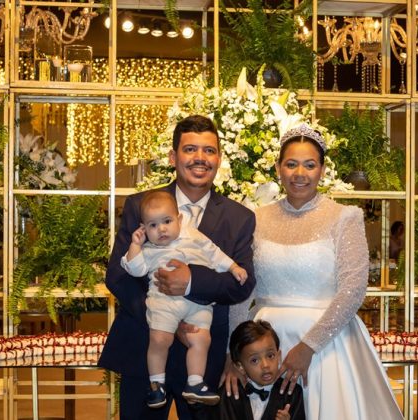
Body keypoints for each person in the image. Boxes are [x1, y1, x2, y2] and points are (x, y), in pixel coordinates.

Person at [226, 124, 403, 419]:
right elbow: (243, 291)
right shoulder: (256, 219)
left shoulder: (345, 217)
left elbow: (353, 289)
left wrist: (308, 347)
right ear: (278, 168)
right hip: (265, 344)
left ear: (322, 169)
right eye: (291, 164)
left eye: (309, 165)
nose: (300, 173)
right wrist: (233, 354)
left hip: (327, 345)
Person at [99, 115, 257, 420]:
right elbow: (118, 276)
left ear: (219, 159)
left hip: (203, 356)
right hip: (145, 347)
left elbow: (241, 283)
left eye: (209, 150)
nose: (200, 158)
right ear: (173, 157)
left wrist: (191, 281)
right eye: (190, 149)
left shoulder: (239, 218)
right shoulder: (140, 205)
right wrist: (165, 319)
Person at [123, 190, 249, 407]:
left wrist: (233, 267)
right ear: (144, 229)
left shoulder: (194, 236)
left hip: (198, 303)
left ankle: (195, 382)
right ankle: (156, 384)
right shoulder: (149, 250)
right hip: (164, 303)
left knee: (202, 339)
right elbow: (134, 270)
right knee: (160, 339)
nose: (161, 229)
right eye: (153, 225)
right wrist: (135, 246)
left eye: (167, 221)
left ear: (179, 220)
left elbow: (214, 253)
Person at [194, 320, 305, 420]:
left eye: (270, 356)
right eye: (254, 360)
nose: (265, 365)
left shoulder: (292, 393)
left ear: (279, 356)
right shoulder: (230, 393)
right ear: (240, 367)